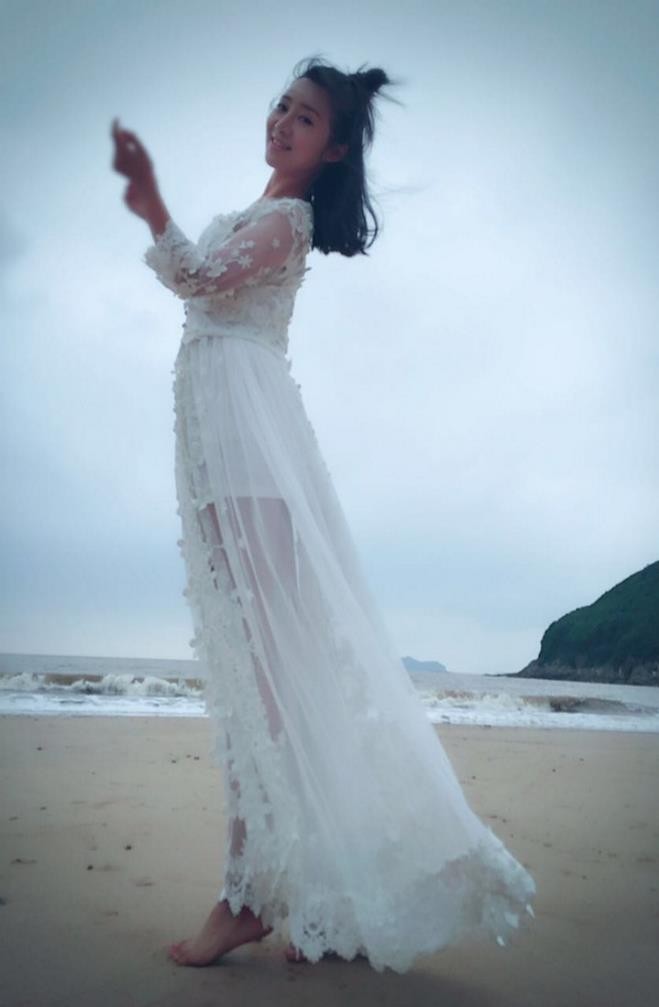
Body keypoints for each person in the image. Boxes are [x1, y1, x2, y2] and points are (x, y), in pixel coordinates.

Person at [111, 56, 536, 975]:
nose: (282, 121)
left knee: (262, 674)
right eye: (281, 106)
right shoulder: (261, 208)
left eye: (304, 118)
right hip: (221, 440)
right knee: (249, 665)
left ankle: (248, 894)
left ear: (333, 148)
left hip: (250, 446)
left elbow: (196, 277)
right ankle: (298, 886)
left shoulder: (287, 221)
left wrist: (149, 203)